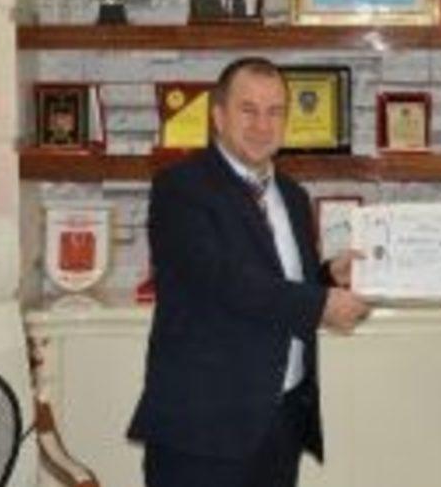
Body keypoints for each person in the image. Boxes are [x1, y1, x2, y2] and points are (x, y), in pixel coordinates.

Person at [127, 57, 371, 487]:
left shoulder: (292, 195)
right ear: (218, 116)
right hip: (203, 430)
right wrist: (319, 305)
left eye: (275, 112)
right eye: (248, 110)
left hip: (280, 421)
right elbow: (223, 281)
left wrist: (329, 275)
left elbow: (278, 281)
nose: (263, 125)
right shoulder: (180, 188)